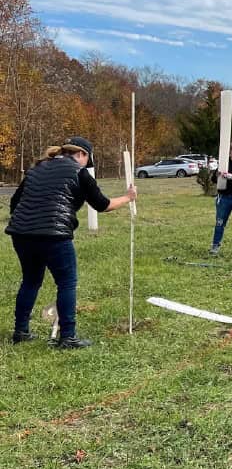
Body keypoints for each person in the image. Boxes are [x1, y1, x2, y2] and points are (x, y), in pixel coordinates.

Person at [6, 137, 137, 349]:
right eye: (88, 160)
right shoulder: (79, 171)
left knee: (30, 281)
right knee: (66, 282)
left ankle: (20, 332)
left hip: (21, 234)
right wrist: (128, 197)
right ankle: (68, 337)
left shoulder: (37, 168)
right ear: (82, 155)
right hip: (54, 235)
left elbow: (14, 203)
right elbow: (102, 205)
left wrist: (30, 223)